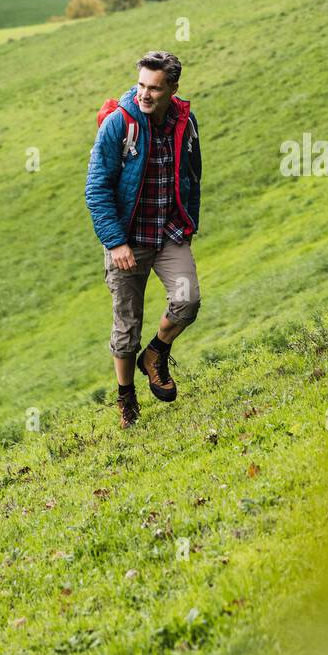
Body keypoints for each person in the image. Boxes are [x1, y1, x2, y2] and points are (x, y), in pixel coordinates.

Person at [85, 50, 202, 427]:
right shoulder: (119, 124)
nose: (145, 95)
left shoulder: (186, 122)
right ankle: (126, 398)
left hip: (169, 234)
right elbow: (96, 187)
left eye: (154, 88)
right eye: (140, 85)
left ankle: (156, 354)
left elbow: (192, 175)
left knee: (188, 301)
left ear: (172, 88)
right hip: (128, 240)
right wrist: (114, 242)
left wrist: (187, 222)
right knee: (126, 326)